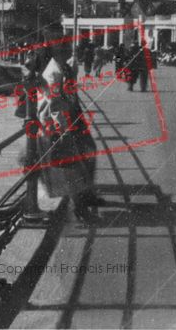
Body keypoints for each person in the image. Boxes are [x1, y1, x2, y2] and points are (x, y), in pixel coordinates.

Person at [35, 29, 100, 224]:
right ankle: (80, 209)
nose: (70, 52)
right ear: (57, 52)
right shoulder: (53, 72)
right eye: (65, 49)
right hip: (56, 123)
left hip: (67, 118)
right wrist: (63, 130)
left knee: (85, 154)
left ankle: (84, 198)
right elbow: (54, 104)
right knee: (73, 165)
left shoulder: (62, 67)